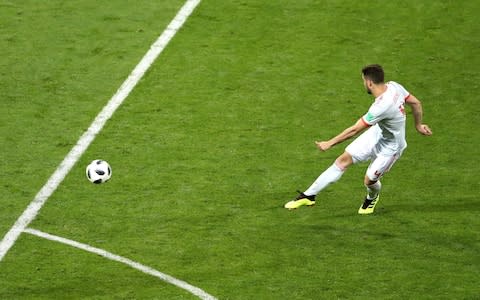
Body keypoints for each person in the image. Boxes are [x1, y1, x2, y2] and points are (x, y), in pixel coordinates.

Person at [284, 64, 432, 214]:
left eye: (363, 81)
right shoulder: (394, 86)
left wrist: (329, 143)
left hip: (391, 148)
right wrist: (418, 125)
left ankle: (372, 197)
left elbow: (354, 130)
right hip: (377, 134)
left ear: (369, 83)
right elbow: (415, 102)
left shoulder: (381, 106)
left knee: (369, 181)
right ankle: (309, 195)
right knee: (343, 160)